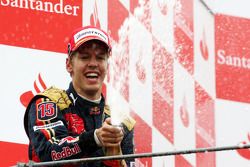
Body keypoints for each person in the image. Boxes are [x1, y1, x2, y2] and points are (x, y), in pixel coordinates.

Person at [23, 25, 136, 167]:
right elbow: (49, 153)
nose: (93, 64)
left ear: (108, 65)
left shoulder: (120, 123)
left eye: (100, 58)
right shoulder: (48, 102)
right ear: (69, 64)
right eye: (84, 57)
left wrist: (113, 153)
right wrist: (95, 138)